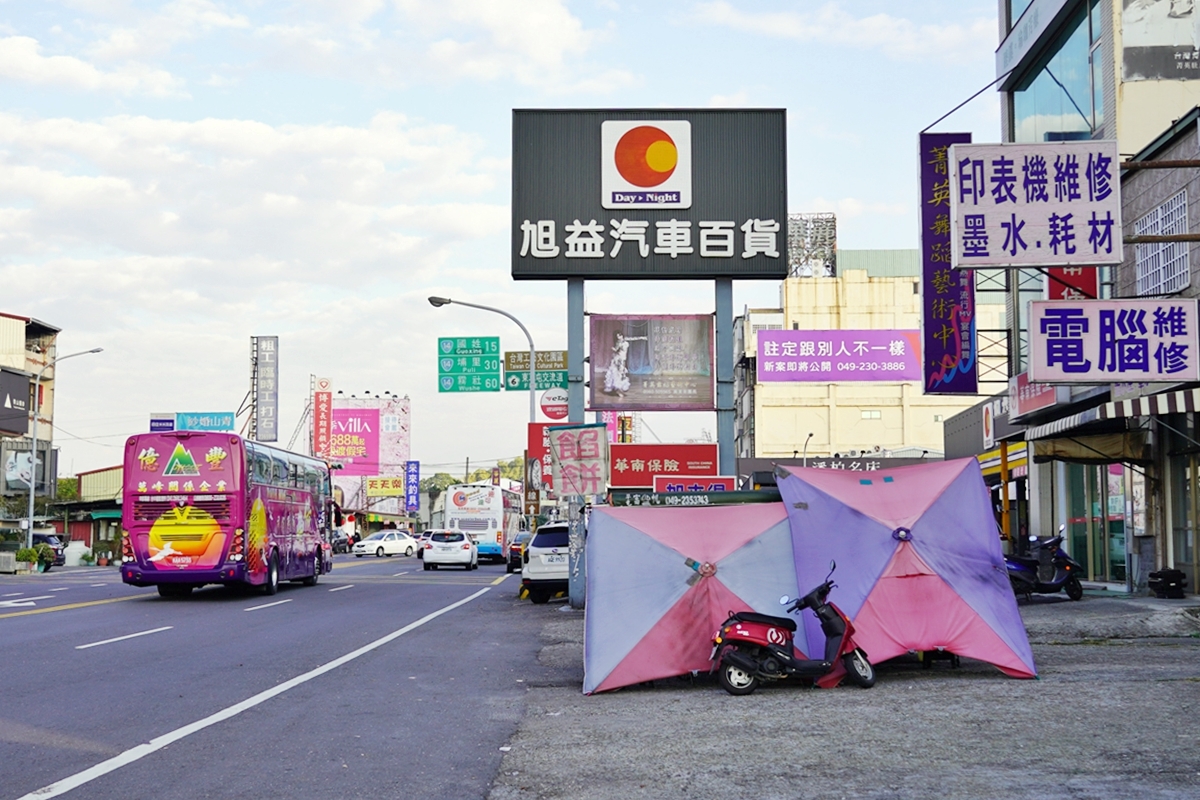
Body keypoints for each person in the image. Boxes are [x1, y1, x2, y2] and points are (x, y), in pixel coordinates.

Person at [603, 331, 647, 397]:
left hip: (622, 359)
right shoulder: (618, 342)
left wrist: (642, 338)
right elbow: (616, 349)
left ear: (622, 335)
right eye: (617, 336)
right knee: (618, 374)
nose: (619, 337)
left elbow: (633, 339)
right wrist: (613, 349)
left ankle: (619, 390)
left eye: (620, 335)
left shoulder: (625, 340)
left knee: (621, 374)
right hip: (618, 360)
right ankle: (618, 390)